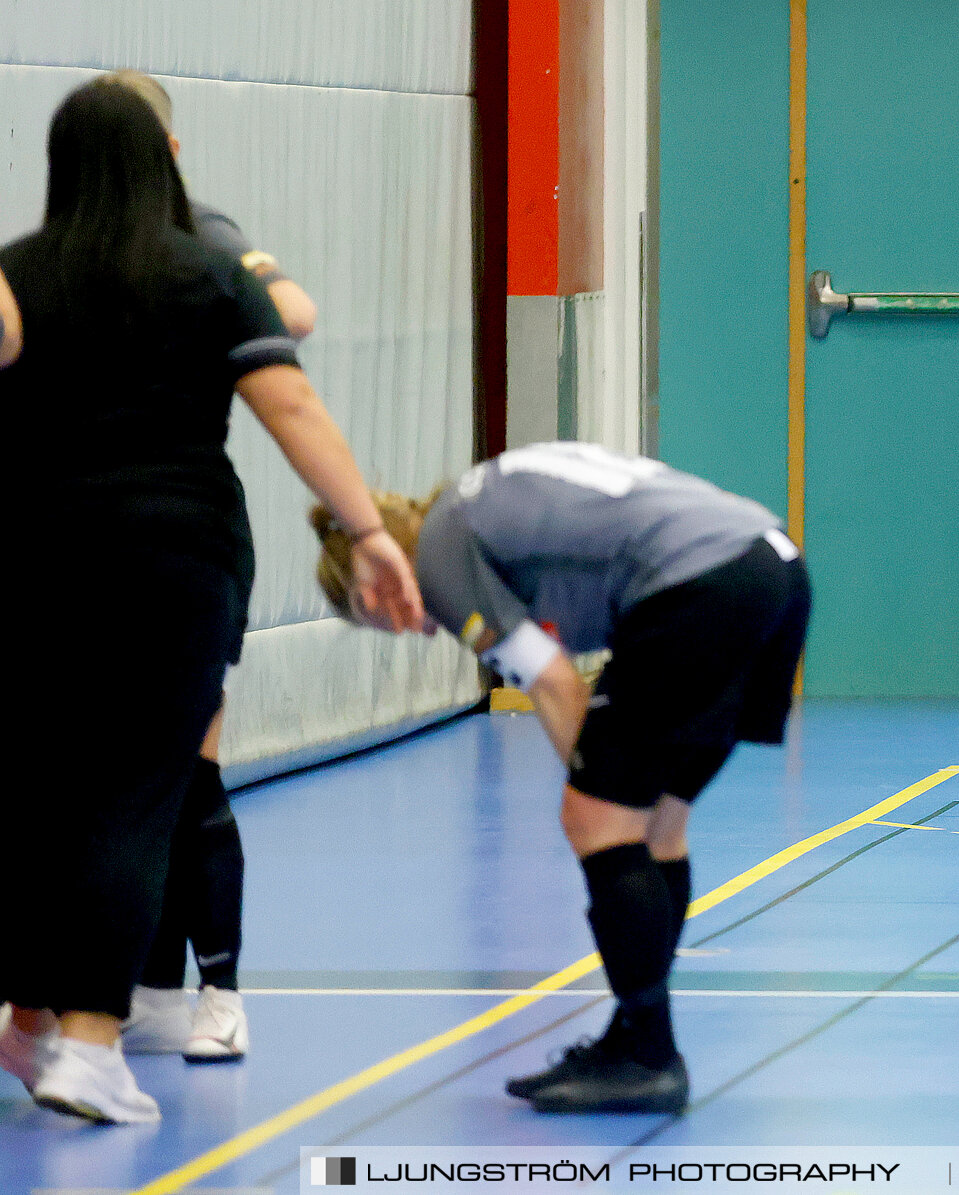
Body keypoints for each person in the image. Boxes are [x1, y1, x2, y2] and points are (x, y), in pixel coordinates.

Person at [0, 79, 423, 1125]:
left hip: (42, 560)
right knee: (140, 798)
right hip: (174, 563)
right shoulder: (210, 271)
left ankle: (33, 1014)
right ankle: (90, 1046)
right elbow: (290, 402)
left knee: (47, 792)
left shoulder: (18, 272)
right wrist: (368, 530)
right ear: (164, 160)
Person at [311, 441, 811, 1114]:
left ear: (377, 577)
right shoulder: (470, 509)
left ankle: (649, 1055)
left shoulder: (439, 554)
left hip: (704, 583)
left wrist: (595, 799)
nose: (419, 632)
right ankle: (636, 1033)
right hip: (771, 566)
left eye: (389, 618)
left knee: (599, 820)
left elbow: (552, 684)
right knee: (659, 825)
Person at [100, 68, 322, 1065]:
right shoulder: (66, 255)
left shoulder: (207, 236)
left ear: (170, 154)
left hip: (191, 543)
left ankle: (221, 992)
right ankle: (144, 981)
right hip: (93, 542)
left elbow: (295, 312)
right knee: (117, 773)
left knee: (191, 764)